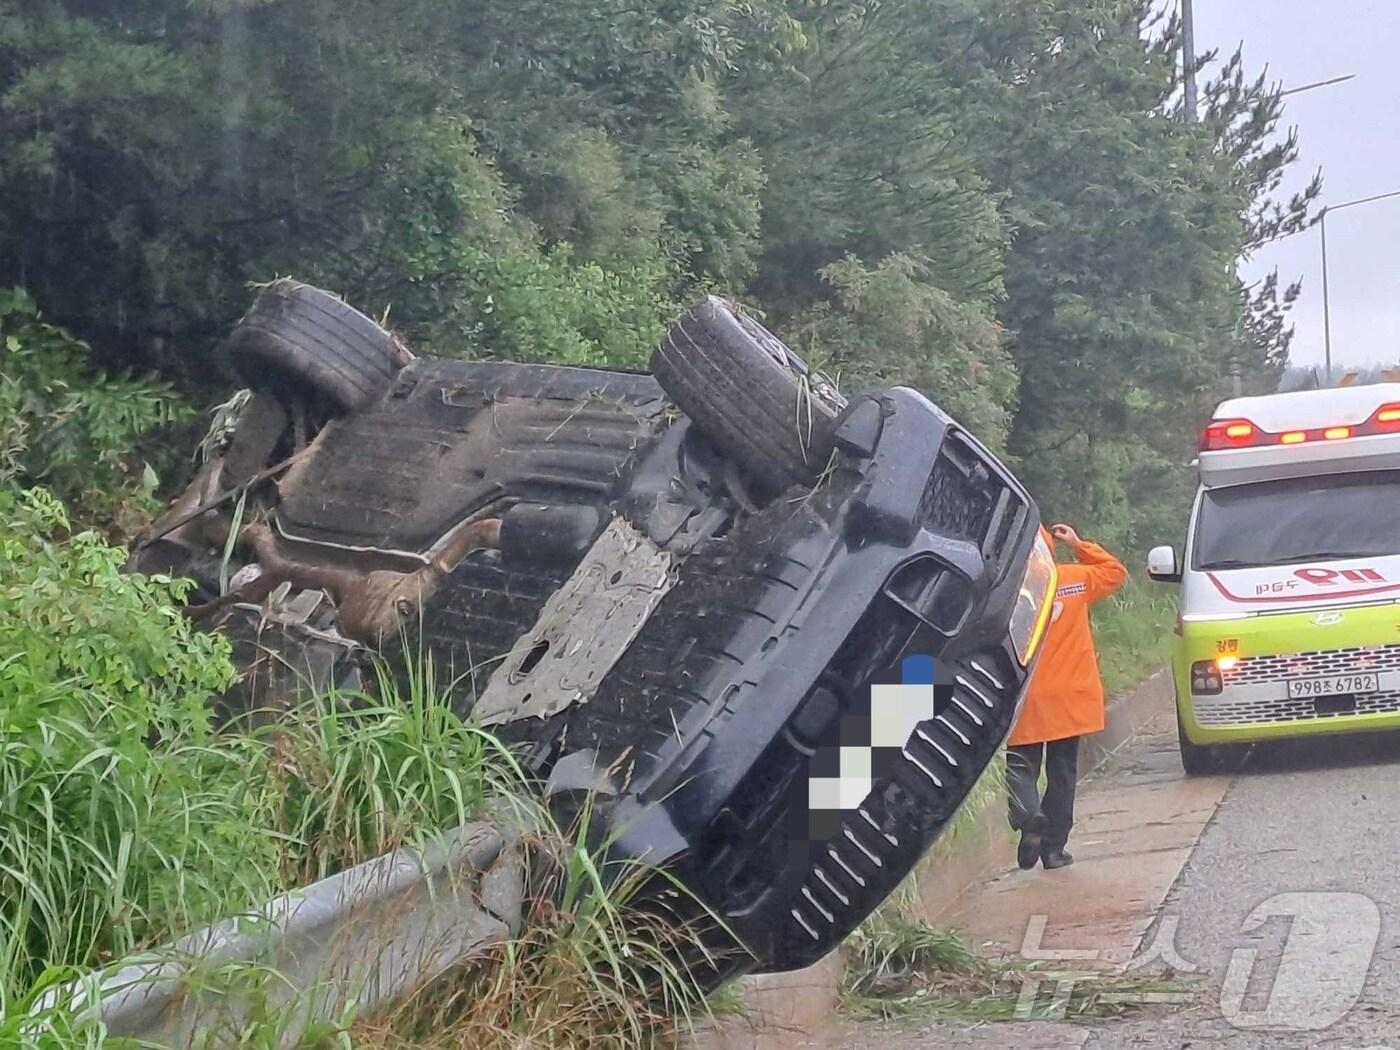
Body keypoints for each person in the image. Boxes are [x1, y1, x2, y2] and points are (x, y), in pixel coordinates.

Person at [1006, 522, 1127, 870]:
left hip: (1026, 697)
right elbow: (1115, 572)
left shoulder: (1010, 591)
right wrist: (1078, 542)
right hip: (1071, 697)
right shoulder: (1075, 579)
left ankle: (1030, 818)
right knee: (1062, 774)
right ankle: (1054, 849)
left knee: (1020, 765)